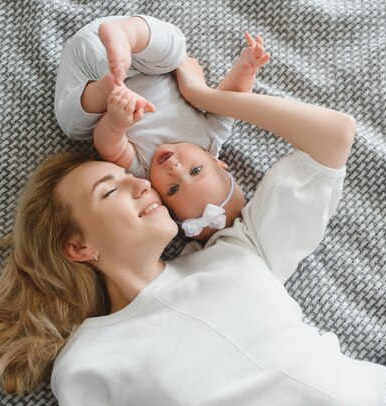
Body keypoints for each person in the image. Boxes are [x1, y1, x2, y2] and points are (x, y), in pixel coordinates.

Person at [0, 56, 386, 406]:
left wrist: (209, 98)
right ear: (80, 248)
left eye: (130, 178)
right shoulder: (89, 364)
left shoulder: (234, 249)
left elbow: (333, 135)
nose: (140, 186)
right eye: (110, 192)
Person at [54, 15, 270, 240]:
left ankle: (105, 88)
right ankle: (126, 33)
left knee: (73, 127)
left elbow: (109, 147)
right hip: (136, 57)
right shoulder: (211, 137)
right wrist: (246, 70)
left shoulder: (143, 172)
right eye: (195, 170)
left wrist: (116, 123)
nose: (174, 169)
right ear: (217, 161)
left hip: (87, 74)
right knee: (175, 51)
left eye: (173, 189)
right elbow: (231, 98)